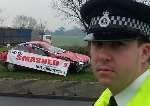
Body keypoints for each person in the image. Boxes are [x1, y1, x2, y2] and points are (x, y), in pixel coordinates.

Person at [80, 0, 150, 106]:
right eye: (97, 44)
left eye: (117, 44)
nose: (102, 56)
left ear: (144, 53)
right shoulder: (110, 97)